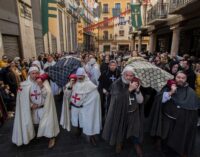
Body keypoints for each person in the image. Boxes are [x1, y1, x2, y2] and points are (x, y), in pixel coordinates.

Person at [150, 71, 200, 157]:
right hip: (167, 122)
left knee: (177, 144)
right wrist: (171, 92)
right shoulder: (167, 88)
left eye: (183, 78)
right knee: (165, 143)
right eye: (178, 77)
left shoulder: (191, 92)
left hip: (181, 125)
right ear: (175, 78)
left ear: (186, 79)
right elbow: (159, 100)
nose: (180, 79)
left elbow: (194, 110)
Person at [12, 67, 60, 148]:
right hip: (32, 109)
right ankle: (30, 135)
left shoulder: (44, 83)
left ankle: (52, 137)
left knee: (48, 123)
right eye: (33, 73)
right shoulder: (24, 85)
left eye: (37, 73)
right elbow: (22, 99)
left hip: (43, 107)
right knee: (29, 123)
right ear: (29, 74)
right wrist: (31, 105)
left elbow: (47, 96)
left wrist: (41, 86)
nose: (35, 75)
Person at [102, 66, 144, 157]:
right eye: (126, 75)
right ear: (123, 74)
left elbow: (140, 101)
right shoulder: (116, 84)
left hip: (133, 112)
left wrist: (137, 91)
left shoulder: (135, 83)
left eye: (131, 75)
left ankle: (136, 144)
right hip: (120, 112)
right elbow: (117, 99)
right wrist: (129, 90)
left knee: (134, 129)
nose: (129, 77)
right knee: (120, 128)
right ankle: (118, 143)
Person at [70, 67, 101, 145]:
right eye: (78, 75)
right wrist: (70, 86)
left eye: (81, 75)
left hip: (85, 108)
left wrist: (86, 103)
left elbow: (95, 96)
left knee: (88, 122)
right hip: (75, 107)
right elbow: (67, 95)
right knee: (77, 121)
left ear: (84, 75)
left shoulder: (89, 84)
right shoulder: (73, 82)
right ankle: (78, 130)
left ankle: (91, 136)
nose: (79, 77)